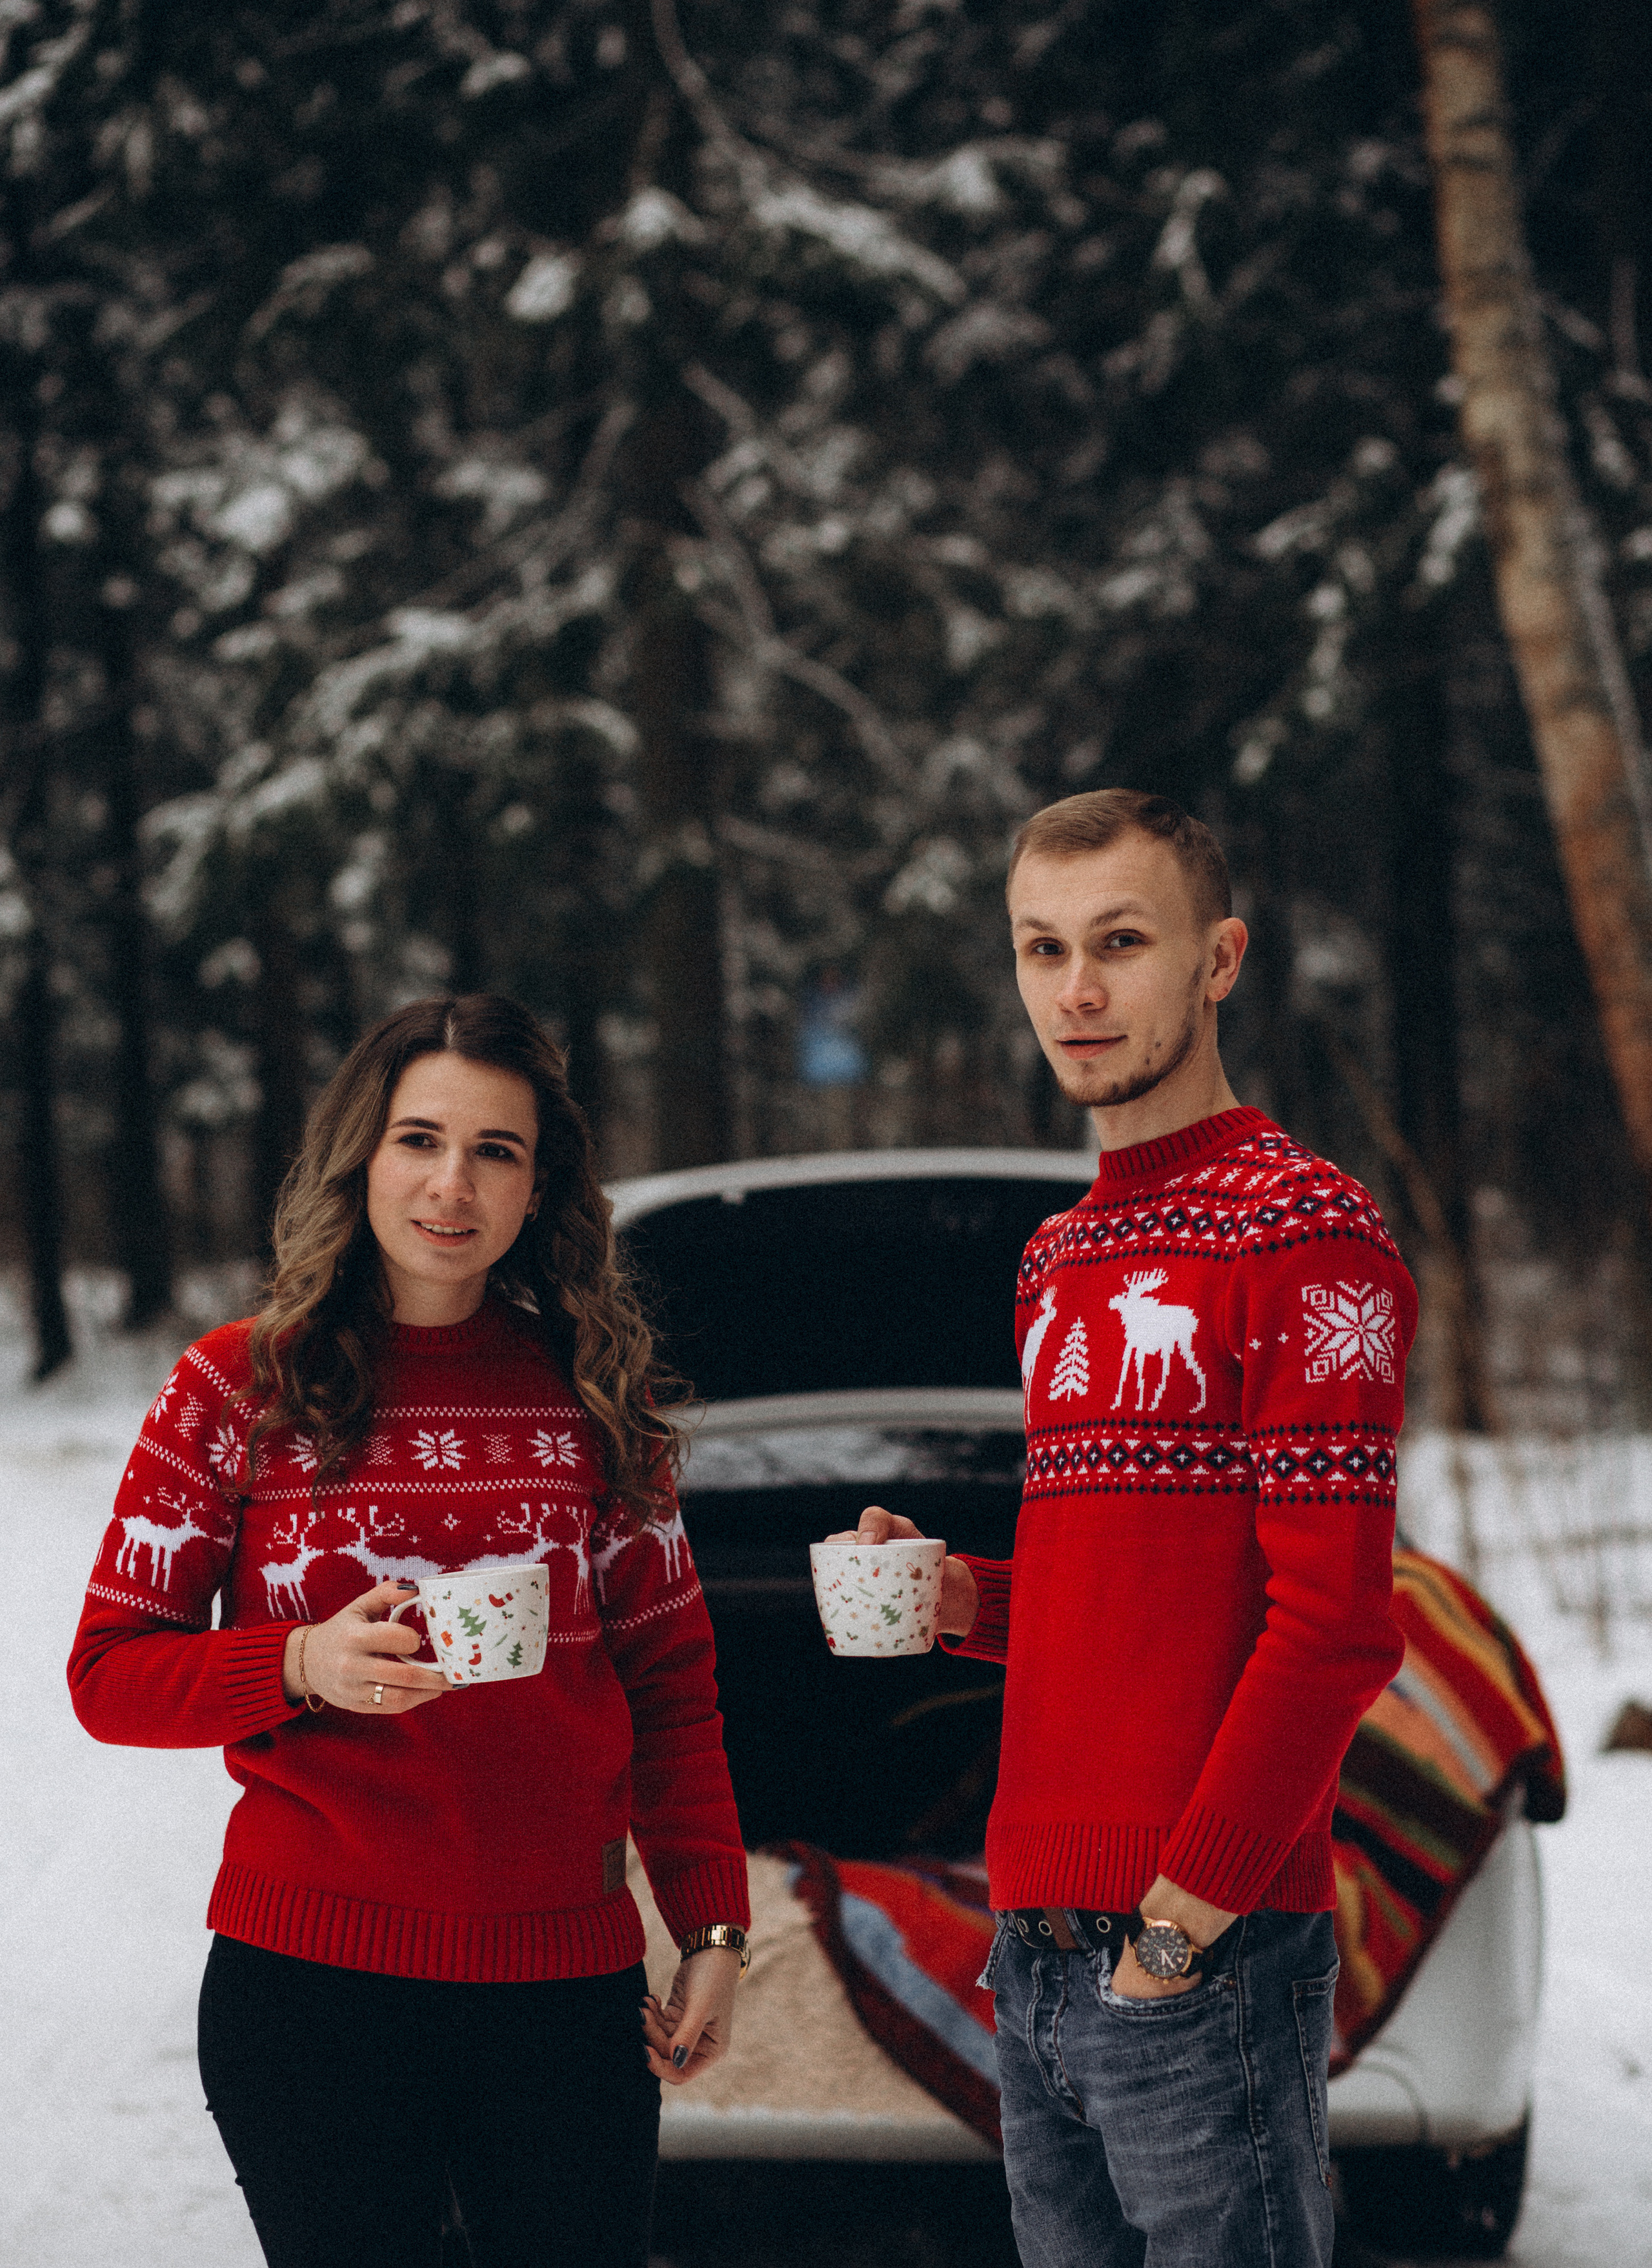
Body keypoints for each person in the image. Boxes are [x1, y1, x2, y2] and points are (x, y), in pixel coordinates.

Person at [68, 993, 750, 2268]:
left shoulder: (602, 1396)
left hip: (564, 1992)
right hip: (311, 1989)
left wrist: (710, 1924)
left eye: (496, 1148)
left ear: (540, 1185)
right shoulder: (235, 1386)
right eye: (417, 1138)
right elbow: (108, 1674)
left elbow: (671, 1685)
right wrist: (296, 1660)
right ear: (359, 1157)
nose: (453, 1181)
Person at [834, 790, 1416, 2268]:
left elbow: (1336, 1621)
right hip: (1030, 1929)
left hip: (1196, 1939)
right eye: (1040, 948)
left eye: (1119, 942)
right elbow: (1134, 1595)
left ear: (1216, 960)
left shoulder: (1305, 1232)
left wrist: (1180, 1922)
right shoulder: (1061, 1253)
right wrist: (956, 1594)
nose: (1074, 990)